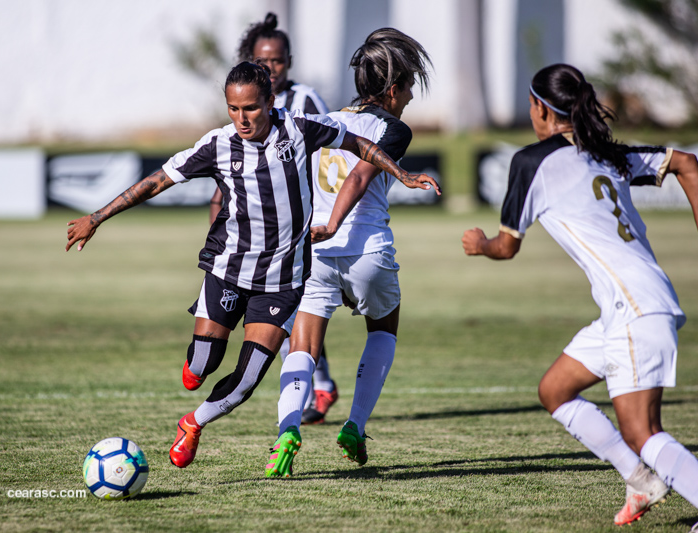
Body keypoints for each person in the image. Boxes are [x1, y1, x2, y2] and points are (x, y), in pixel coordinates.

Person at [65, 61, 440, 471]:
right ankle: (197, 366)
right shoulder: (218, 144)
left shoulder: (298, 129)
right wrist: (97, 217)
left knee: (245, 382)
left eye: (251, 109)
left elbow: (359, 145)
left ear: (270, 102)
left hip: (282, 283)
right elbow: (157, 181)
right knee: (202, 366)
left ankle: (192, 423)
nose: (242, 119)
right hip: (229, 270)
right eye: (233, 109)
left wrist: (401, 175)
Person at [461, 63, 698, 527]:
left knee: (642, 432)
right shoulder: (607, 154)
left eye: (529, 106)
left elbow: (506, 247)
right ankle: (642, 481)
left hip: (634, 307)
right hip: (632, 303)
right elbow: (685, 162)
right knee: (556, 390)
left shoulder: (533, 162)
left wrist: (479, 244)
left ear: (540, 109)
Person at [264, 28, 434, 478]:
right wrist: (338, 222)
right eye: (411, 88)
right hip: (367, 252)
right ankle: (355, 425)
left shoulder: (326, 122)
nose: (412, 97)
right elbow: (360, 176)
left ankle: (286, 429)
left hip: (316, 250)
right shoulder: (393, 129)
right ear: (393, 89)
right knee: (384, 328)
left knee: (303, 343)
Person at [208, 12, 338, 425]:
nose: (271, 67)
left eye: (278, 61)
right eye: (263, 60)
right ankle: (320, 385)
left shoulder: (306, 102)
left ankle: (318, 385)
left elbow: (335, 147)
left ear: (289, 62)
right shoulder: (243, 111)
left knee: (302, 306)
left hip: (307, 224)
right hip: (259, 236)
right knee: (289, 309)